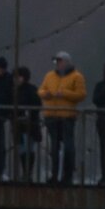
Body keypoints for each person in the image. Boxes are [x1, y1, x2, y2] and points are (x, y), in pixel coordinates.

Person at [38, 50, 86, 185]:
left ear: (67, 62)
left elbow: (81, 95)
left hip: (67, 116)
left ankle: (67, 175)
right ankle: (54, 174)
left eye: (60, 61)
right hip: (51, 116)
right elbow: (41, 90)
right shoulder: (49, 76)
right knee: (54, 148)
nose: (57, 64)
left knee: (69, 147)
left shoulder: (77, 77)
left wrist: (64, 93)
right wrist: (45, 94)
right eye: (56, 61)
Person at [11, 67, 41, 182]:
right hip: (18, 125)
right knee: (22, 150)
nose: (15, 79)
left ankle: (27, 173)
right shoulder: (14, 90)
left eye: (17, 77)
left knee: (28, 149)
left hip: (30, 125)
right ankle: (25, 173)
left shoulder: (31, 90)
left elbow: (36, 105)